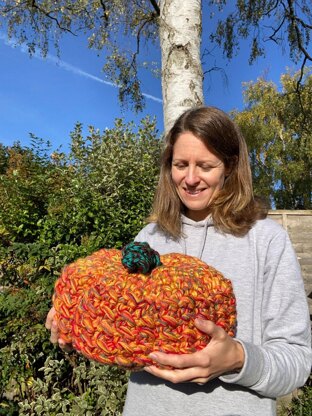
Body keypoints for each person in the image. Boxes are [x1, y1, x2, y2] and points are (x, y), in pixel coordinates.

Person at [46, 106, 311, 416]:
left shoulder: (266, 241)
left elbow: (297, 360)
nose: (190, 178)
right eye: (180, 164)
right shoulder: (149, 238)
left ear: (229, 166)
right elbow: (124, 330)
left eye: (206, 166)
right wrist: (79, 321)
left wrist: (239, 359)